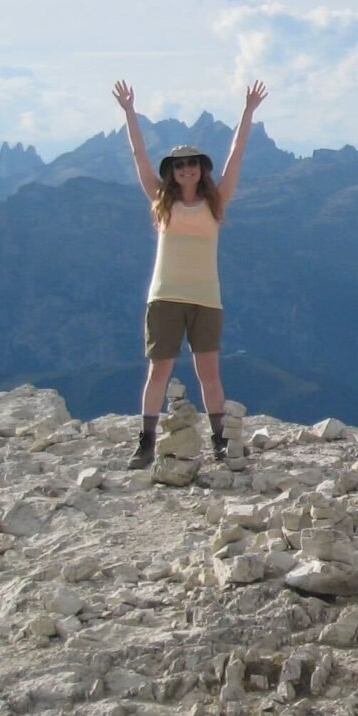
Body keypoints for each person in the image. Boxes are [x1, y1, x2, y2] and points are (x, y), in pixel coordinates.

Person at [116, 79, 268, 469]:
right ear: (173, 171)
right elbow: (139, 155)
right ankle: (146, 442)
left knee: (209, 375)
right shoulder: (160, 200)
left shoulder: (215, 202)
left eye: (192, 163)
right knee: (158, 371)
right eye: (180, 165)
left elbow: (236, 154)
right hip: (165, 296)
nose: (186, 169)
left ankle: (219, 443)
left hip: (205, 298)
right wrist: (130, 111)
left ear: (201, 169)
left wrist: (248, 111)